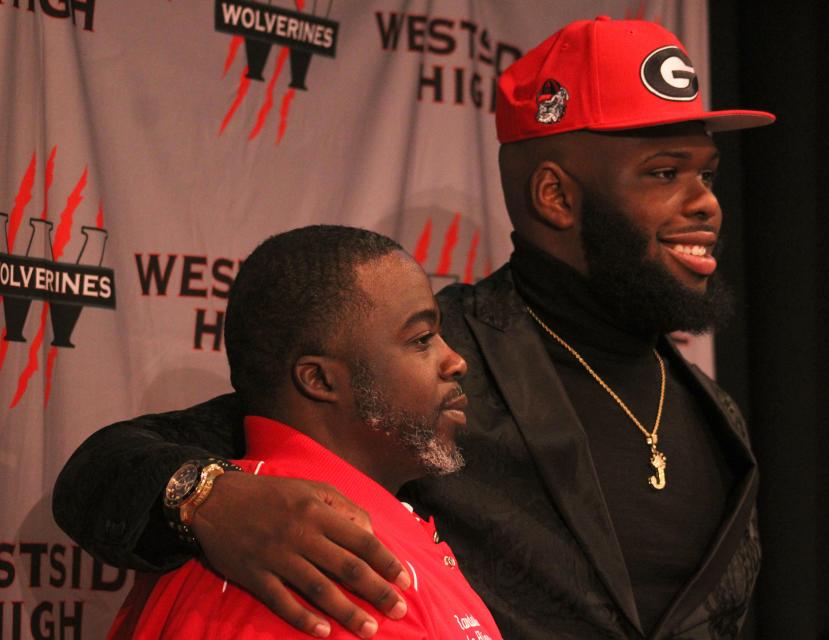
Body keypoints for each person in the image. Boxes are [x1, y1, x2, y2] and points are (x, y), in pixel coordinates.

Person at [54, 17, 774, 640]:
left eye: (706, 174)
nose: (705, 203)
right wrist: (205, 497)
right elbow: (110, 465)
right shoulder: (431, 362)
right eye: (664, 172)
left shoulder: (716, 415)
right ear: (555, 195)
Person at [107, 225, 503, 639]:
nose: (456, 361)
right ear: (319, 379)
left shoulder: (296, 533)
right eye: (422, 339)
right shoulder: (320, 565)